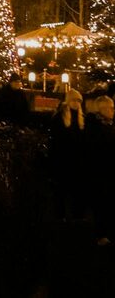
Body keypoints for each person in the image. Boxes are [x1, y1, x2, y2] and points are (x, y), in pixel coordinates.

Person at [47, 88, 86, 222]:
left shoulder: (81, 117)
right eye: (74, 100)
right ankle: (60, 214)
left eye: (79, 101)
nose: (77, 103)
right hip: (62, 158)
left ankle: (77, 214)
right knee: (61, 188)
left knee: (77, 188)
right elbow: (56, 138)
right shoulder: (60, 117)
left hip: (76, 159)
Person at [85, 94, 115, 244]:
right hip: (101, 172)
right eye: (110, 108)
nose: (112, 110)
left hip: (109, 171)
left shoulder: (109, 124)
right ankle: (101, 234)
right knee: (102, 203)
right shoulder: (95, 127)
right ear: (102, 109)